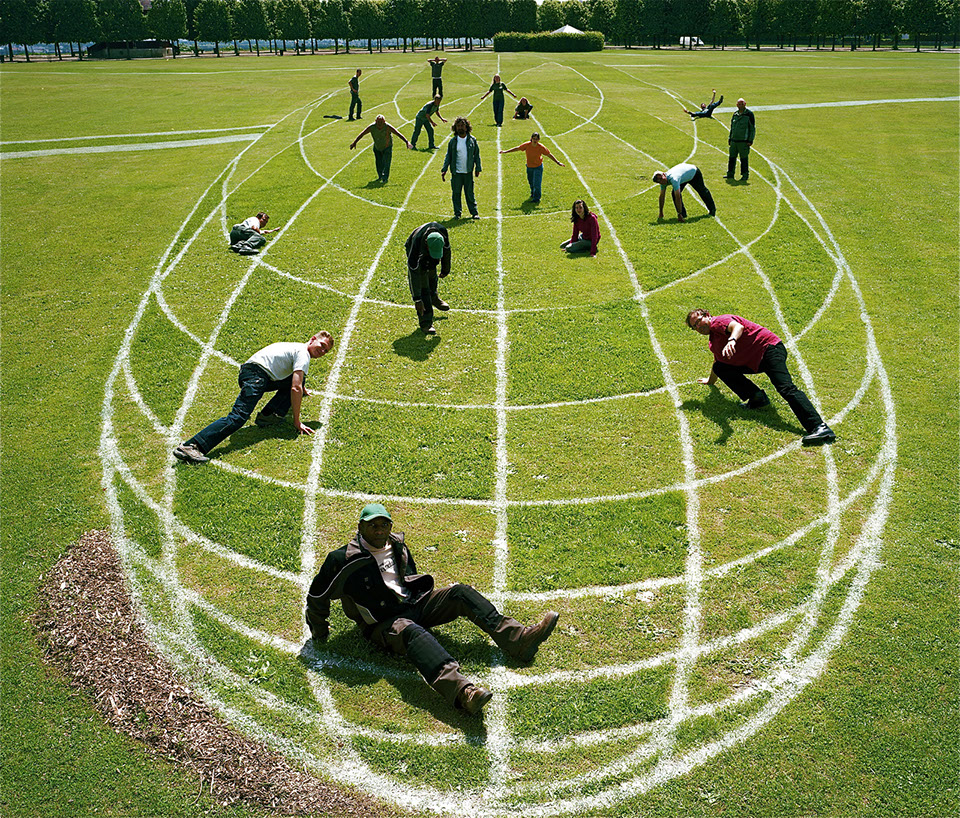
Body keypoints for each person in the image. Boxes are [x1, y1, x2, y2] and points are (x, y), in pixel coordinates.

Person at [305, 503, 560, 716]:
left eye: (384, 524)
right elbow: (317, 595)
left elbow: (408, 576)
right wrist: (319, 629)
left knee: (460, 592)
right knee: (411, 631)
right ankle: (464, 693)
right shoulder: (343, 560)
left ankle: (519, 640)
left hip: (414, 603)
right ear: (360, 527)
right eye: (372, 525)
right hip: (383, 624)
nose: (379, 530)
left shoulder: (397, 544)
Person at [173, 332, 335, 464]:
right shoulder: (303, 354)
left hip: (253, 371)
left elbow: (297, 382)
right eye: (322, 346)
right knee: (237, 417)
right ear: (313, 339)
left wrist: (302, 388)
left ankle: (268, 416)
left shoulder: (297, 348)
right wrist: (297, 421)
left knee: (299, 381)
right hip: (256, 375)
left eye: (325, 351)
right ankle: (192, 446)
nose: (322, 352)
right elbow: (295, 387)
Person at [686, 309, 836, 446]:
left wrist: (732, 340)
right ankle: (757, 398)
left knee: (785, 388)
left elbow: (737, 327)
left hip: (769, 350)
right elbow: (718, 361)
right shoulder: (713, 341)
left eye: (699, 321)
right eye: (694, 327)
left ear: (707, 315)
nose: (698, 327)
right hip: (755, 361)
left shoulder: (719, 322)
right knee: (720, 367)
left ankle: (819, 427)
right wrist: (710, 381)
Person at [405, 221, 451, 334]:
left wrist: (445, 269)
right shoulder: (415, 251)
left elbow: (447, 251)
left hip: (427, 247)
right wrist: (417, 299)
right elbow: (413, 276)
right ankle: (426, 322)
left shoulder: (442, 233)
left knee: (431, 271)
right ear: (426, 244)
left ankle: (434, 297)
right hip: (415, 247)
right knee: (423, 284)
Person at [500, 132, 564, 203]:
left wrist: (558, 162)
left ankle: (536, 199)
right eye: (534, 139)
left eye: (536, 139)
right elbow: (518, 148)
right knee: (531, 182)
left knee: (537, 183)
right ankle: (533, 193)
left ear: (539, 139)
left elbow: (549, 154)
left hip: (538, 167)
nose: (535, 140)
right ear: (531, 138)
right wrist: (505, 152)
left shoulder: (541, 147)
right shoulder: (527, 145)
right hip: (529, 167)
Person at [441, 117, 481, 220]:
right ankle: (457, 213)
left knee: (469, 194)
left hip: (468, 172)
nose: (460, 128)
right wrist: (444, 169)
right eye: (458, 126)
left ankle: (474, 212)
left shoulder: (472, 140)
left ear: (467, 127)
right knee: (456, 193)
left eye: (462, 125)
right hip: (456, 173)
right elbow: (448, 156)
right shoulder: (453, 141)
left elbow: (476, 155)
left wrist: (478, 168)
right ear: (455, 128)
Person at [350, 115, 410, 183]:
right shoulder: (372, 127)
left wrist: (406, 142)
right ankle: (380, 176)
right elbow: (362, 134)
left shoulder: (387, 127)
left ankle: (385, 178)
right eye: (378, 122)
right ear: (375, 122)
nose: (379, 125)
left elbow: (398, 133)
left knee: (386, 162)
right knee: (379, 163)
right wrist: (354, 142)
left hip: (387, 147)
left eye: (381, 122)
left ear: (384, 122)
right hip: (377, 147)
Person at [726, 98, 755, 180]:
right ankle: (730, 173)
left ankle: (745, 174)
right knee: (731, 158)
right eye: (739, 104)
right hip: (734, 141)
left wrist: (750, 140)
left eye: (742, 104)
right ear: (736, 105)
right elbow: (732, 127)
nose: (740, 105)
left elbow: (752, 128)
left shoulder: (749, 114)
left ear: (745, 104)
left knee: (744, 159)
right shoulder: (735, 114)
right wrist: (730, 138)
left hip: (743, 142)